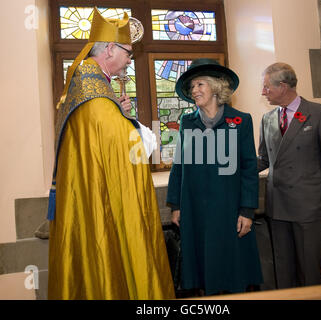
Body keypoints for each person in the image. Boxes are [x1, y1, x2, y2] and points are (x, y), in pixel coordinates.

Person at [47, 8, 175, 300]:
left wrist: (121, 112)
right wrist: (138, 131)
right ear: (108, 50)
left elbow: (104, 131)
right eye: (128, 53)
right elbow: (122, 143)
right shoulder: (91, 87)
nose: (131, 60)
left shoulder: (91, 83)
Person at [166, 58, 263, 296]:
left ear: (215, 88)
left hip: (229, 209)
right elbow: (179, 164)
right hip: (195, 209)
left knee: (232, 270)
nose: (194, 91)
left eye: (200, 85)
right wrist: (176, 205)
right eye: (192, 87)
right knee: (201, 271)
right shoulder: (187, 122)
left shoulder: (241, 121)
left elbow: (249, 167)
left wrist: (247, 211)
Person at [258, 62, 321, 289]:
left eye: (267, 87)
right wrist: (233, 169)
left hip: (309, 207)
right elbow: (263, 160)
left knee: (308, 271)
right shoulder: (267, 119)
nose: (263, 92)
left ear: (283, 86)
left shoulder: (320, 114)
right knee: (283, 271)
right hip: (277, 207)